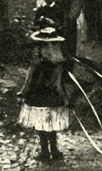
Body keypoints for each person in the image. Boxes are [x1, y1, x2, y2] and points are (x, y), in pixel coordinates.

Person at [18, 24, 71, 162]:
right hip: (50, 98)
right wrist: (65, 99)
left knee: (41, 127)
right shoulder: (57, 65)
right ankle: (53, 151)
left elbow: (29, 80)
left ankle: (45, 152)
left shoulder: (36, 63)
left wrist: (23, 92)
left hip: (37, 97)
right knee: (51, 127)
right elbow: (57, 85)